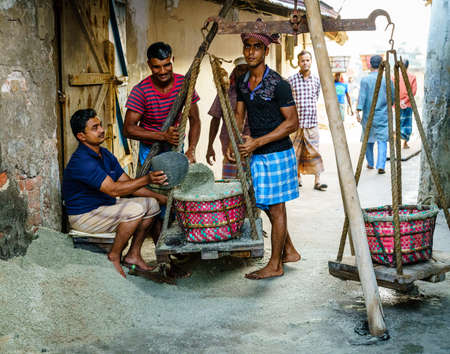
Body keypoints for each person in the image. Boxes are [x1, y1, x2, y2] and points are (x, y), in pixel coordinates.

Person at [227, 32, 301, 280]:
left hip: (277, 153)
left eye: (257, 47)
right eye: (247, 47)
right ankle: (288, 250)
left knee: (277, 209)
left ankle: (275, 264)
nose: (250, 52)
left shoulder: (278, 84)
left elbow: (292, 123)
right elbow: (239, 114)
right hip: (257, 153)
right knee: (267, 205)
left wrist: (257, 141)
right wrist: (233, 140)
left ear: (266, 51)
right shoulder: (243, 81)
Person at [62, 109, 168, 278]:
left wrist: (162, 198)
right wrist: (147, 179)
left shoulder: (104, 154)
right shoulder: (82, 161)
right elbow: (113, 189)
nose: (102, 130)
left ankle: (133, 255)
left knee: (151, 204)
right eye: (95, 127)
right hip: (84, 215)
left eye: (100, 125)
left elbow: (128, 184)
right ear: (81, 136)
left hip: (104, 207)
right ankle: (114, 256)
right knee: (134, 211)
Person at [124, 41, 201, 165]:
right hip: (149, 149)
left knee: (177, 182)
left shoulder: (184, 84)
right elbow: (128, 129)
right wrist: (163, 136)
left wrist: (191, 149)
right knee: (152, 183)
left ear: (173, 60)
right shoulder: (140, 91)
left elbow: (195, 119)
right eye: (157, 67)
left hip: (175, 146)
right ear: (149, 65)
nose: (163, 71)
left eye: (167, 65)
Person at [288, 50, 328, 191]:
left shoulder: (316, 80)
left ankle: (317, 181)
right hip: (296, 125)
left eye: (307, 60)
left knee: (314, 152)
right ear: (298, 63)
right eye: (302, 60)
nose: (305, 63)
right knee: (295, 153)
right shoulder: (291, 80)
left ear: (311, 62)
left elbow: (315, 97)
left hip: (311, 124)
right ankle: (298, 178)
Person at [206, 57, 250, 178]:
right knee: (230, 183)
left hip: (252, 144)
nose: (243, 73)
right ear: (235, 71)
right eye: (240, 70)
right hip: (229, 145)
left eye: (247, 70)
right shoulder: (226, 92)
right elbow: (215, 119)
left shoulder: (258, 91)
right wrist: (210, 146)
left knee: (251, 184)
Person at [356, 55, 394, 174]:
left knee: (368, 138)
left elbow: (362, 97)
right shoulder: (387, 79)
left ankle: (371, 163)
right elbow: (392, 96)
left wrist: (358, 111)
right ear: (381, 64)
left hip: (369, 114)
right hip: (383, 114)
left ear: (370, 65)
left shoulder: (365, 80)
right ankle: (381, 165)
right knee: (382, 140)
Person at [397, 59, 417, 149]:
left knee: (398, 122)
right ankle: (404, 143)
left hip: (397, 104)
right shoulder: (412, 77)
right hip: (408, 104)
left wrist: (399, 101)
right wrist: (404, 101)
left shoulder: (395, 76)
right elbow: (413, 92)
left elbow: (392, 91)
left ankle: (397, 141)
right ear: (408, 66)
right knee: (407, 123)